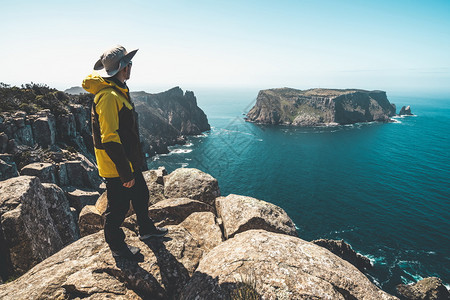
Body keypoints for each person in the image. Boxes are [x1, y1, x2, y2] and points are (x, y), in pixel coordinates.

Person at [82, 45, 167, 259]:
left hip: (129, 160)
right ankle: (117, 247)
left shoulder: (119, 91)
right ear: (123, 68)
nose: (131, 66)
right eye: (129, 63)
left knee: (141, 195)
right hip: (117, 166)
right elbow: (109, 138)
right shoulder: (109, 96)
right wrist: (124, 172)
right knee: (118, 208)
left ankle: (146, 229)